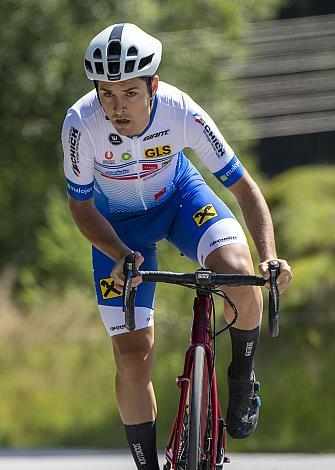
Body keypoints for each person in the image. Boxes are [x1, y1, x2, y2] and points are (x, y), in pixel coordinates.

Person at [62, 23, 292, 469]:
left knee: (237, 268)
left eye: (129, 92)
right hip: (117, 233)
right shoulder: (80, 123)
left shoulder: (179, 110)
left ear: (154, 85)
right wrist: (119, 255)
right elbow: (81, 207)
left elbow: (244, 188)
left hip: (180, 201)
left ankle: (242, 378)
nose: (117, 106)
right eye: (107, 94)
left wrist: (269, 257)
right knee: (132, 357)